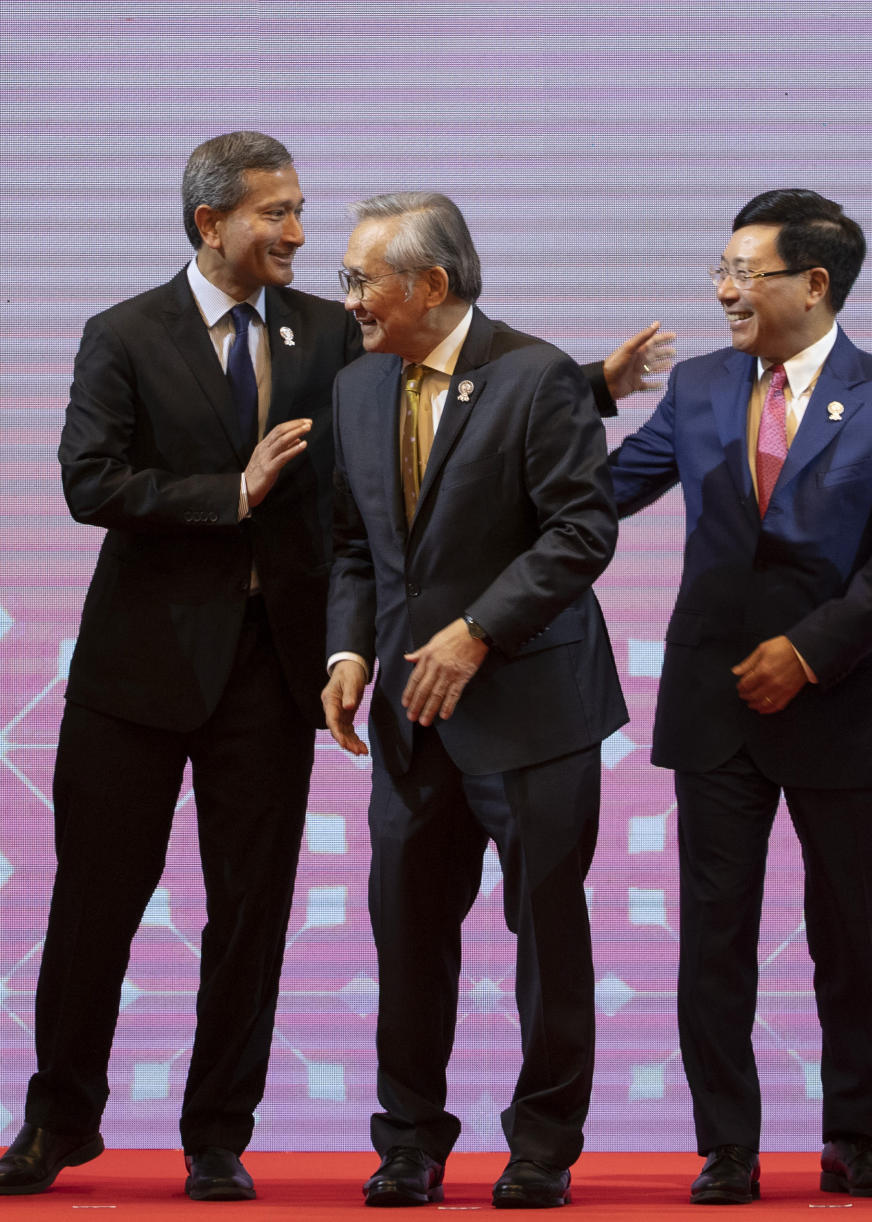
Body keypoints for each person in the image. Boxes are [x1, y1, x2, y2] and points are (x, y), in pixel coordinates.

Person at [0, 134, 668, 1201]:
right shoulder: (124, 333)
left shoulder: (332, 337)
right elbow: (91, 479)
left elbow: (478, 378)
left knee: (255, 912)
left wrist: (589, 381)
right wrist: (234, 498)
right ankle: (59, 1119)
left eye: (310, 216)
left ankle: (218, 1133)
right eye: (278, 213)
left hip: (282, 679)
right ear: (211, 221)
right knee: (94, 906)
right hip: (142, 673)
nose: (304, 241)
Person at [608, 189, 872, 1205]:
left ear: (813, 282)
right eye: (722, 271)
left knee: (853, 936)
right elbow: (607, 490)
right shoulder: (706, 386)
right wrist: (573, 403)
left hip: (837, 704)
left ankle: (855, 1137)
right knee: (716, 938)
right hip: (715, 708)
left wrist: (806, 652)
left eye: (745, 273)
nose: (724, 290)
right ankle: (728, 1148)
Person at [321, 192, 629, 1210]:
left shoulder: (536, 376)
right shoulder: (358, 387)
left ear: (431, 284)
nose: (350, 296)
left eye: (364, 278)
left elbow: (579, 534)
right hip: (412, 718)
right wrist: (348, 653)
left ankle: (541, 1145)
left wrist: (476, 628)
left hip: (532, 710)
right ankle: (409, 1141)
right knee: (405, 931)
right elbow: (360, 546)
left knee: (545, 931)